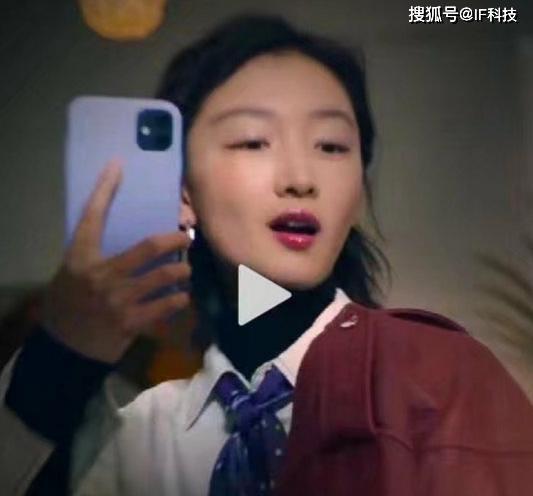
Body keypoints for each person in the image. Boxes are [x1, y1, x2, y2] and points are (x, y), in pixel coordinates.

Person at [1, 13, 533, 496]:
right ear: (182, 190)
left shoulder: (436, 379)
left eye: (331, 146)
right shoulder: (137, 441)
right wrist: (59, 355)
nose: (300, 179)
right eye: (253, 141)